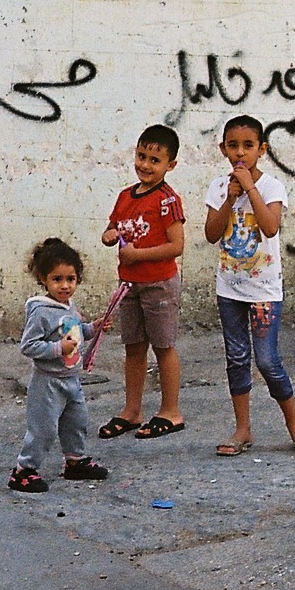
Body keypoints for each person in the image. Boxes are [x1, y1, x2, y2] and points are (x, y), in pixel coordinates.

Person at [203, 115, 295, 458]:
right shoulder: (217, 187)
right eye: (233, 145)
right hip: (230, 288)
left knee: (268, 361)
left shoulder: (271, 187)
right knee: (236, 359)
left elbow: (270, 228)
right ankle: (243, 429)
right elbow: (211, 234)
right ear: (223, 148)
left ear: (261, 149)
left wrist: (249, 189)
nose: (240, 152)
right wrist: (230, 197)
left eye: (248, 146)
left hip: (264, 290)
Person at [96, 123, 188, 441]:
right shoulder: (125, 196)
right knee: (133, 347)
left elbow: (177, 246)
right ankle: (132, 410)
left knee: (163, 347)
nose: (145, 165)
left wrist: (140, 255)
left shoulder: (167, 200)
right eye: (141, 156)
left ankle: (170, 411)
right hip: (130, 285)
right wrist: (110, 236)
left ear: (170, 165)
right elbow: (113, 228)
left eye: (154, 160)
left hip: (159, 284)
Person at [11, 238, 109, 493]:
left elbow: (73, 334)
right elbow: (29, 346)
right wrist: (57, 349)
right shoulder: (41, 311)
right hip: (48, 382)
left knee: (77, 422)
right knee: (43, 429)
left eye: (71, 279)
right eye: (57, 279)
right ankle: (24, 470)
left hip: (71, 379)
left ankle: (74, 461)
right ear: (43, 279)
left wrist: (91, 329)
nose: (65, 286)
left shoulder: (68, 306)